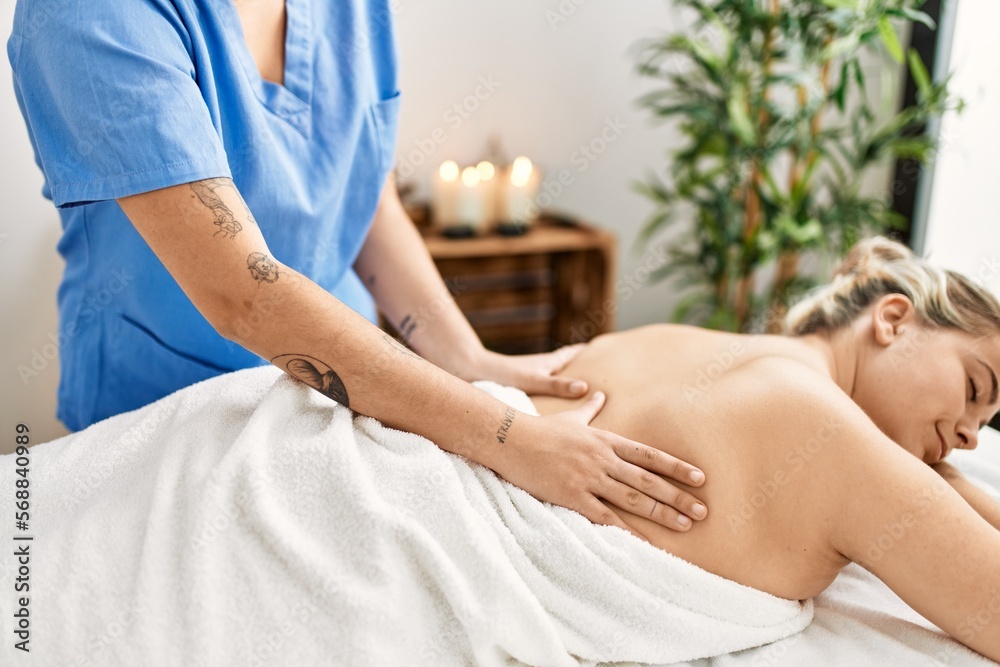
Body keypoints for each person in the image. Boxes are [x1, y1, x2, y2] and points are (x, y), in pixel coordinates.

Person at [5, 0, 707, 535]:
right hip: (166, 416)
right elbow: (243, 294)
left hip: (347, 403)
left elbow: (362, 188)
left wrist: (465, 357)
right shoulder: (91, 15)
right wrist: (507, 437)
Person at [531, 236, 1000, 661]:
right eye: (975, 388)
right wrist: (949, 481)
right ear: (894, 320)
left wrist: (945, 476)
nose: (971, 437)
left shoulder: (662, 337)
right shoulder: (828, 436)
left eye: (983, 423)